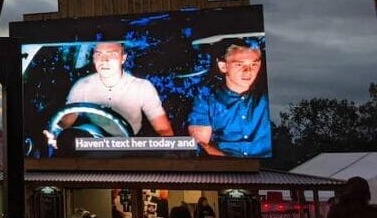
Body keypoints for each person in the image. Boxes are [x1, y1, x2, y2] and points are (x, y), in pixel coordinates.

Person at [46, 42, 174, 147]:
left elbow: (164, 130)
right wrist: (55, 134)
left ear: (123, 58)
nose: (104, 61)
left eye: (111, 55)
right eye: (99, 55)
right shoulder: (82, 85)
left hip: (128, 146)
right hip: (90, 143)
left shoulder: (142, 87)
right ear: (93, 58)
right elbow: (66, 121)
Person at [188, 39, 270, 157]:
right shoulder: (206, 100)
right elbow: (200, 144)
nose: (248, 71)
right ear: (223, 66)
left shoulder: (268, 94)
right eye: (239, 65)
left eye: (253, 64)